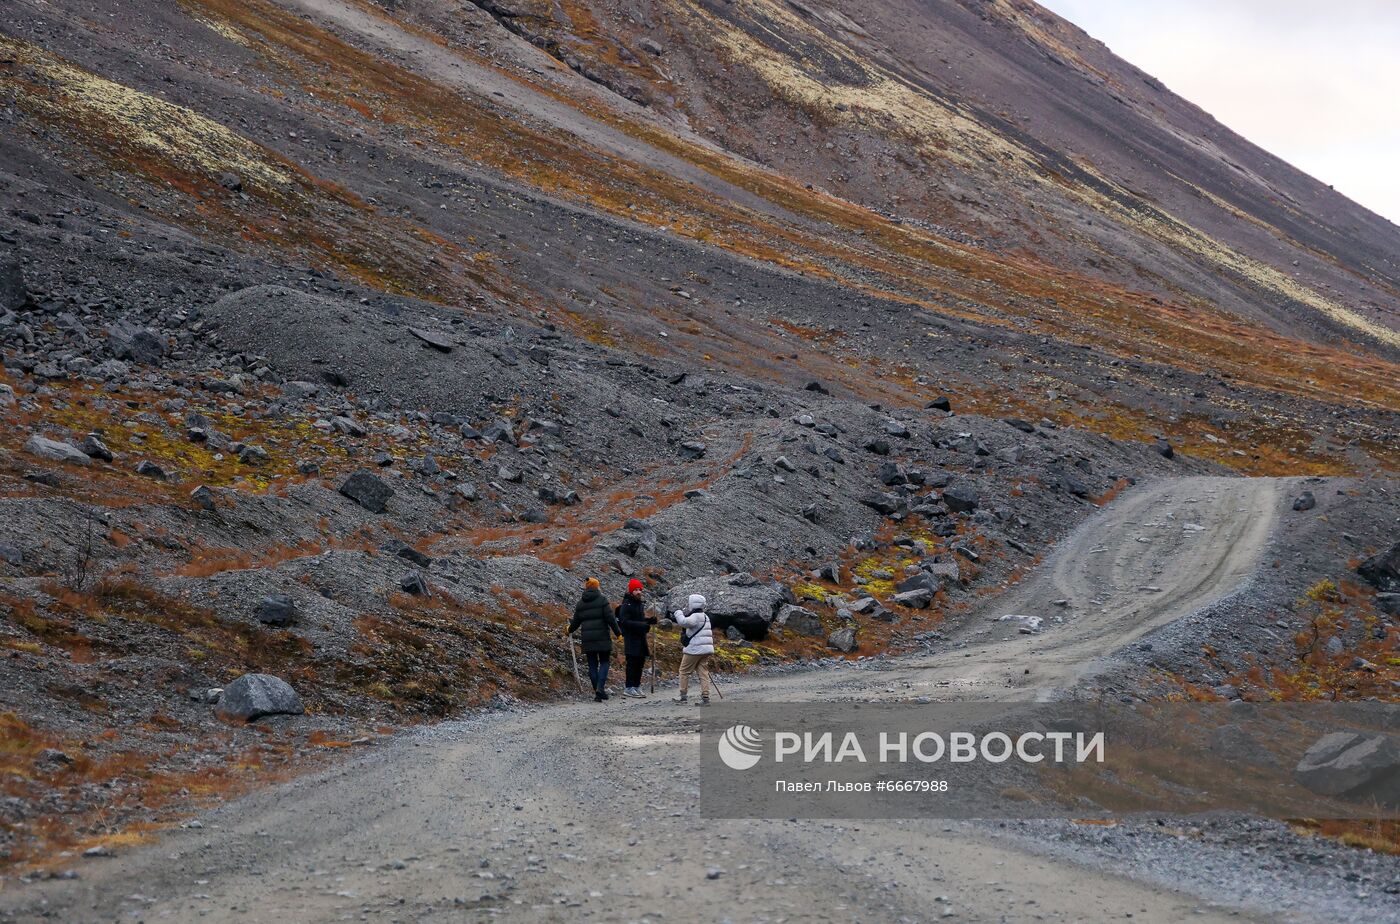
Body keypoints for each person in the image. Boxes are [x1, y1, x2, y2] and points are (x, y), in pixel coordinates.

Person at [568, 577, 620, 702]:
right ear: (597, 587)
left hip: (588, 639)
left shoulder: (581, 603)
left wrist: (569, 630)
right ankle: (600, 689)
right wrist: (618, 633)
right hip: (602, 637)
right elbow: (610, 619)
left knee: (592, 665)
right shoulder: (602, 600)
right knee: (604, 662)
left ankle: (597, 691)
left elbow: (576, 622)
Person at [671, 593, 714, 706]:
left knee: (684, 671)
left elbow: (683, 622)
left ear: (693, 604)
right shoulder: (705, 616)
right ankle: (706, 698)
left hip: (695, 649)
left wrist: (678, 613)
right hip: (706, 649)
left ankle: (683, 697)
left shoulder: (695, 616)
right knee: (703, 673)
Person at [616, 578, 657, 698]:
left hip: (640, 638)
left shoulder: (639, 604)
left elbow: (639, 620)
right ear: (631, 591)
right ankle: (629, 687)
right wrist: (642, 625)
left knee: (640, 662)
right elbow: (625, 622)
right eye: (636, 590)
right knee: (632, 663)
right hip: (631, 638)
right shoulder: (626, 605)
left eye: (640, 589)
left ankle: (636, 685)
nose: (639, 592)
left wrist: (649, 621)